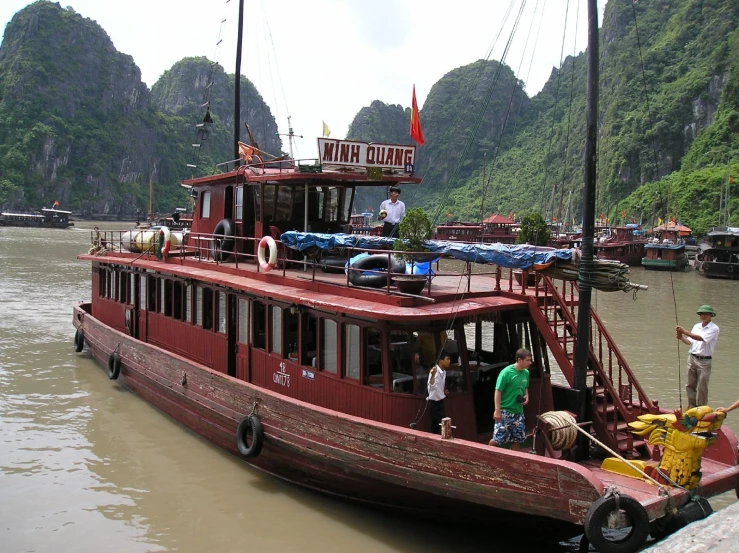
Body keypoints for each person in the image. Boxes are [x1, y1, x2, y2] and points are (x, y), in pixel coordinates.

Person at [676, 304, 720, 408]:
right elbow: (689, 342)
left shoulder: (714, 328)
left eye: (706, 314)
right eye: (701, 314)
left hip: (704, 361)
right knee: (689, 384)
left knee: (702, 386)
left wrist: (685, 331)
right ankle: (691, 406)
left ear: (711, 315)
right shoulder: (697, 326)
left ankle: (702, 408)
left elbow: (701, 338)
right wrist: (681, 337)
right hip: (692, 358)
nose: (703, 316)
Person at [489, 348, 532, 451]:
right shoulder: (506, 373)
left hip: (519, 412)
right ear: (519, 360)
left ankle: (514, 461)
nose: (530, 363)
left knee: (517, 439)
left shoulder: (526, 373)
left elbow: (525, 386)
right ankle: (488, 454)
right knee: (498, 439)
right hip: (506, 412)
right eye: (527, 360)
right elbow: (498, 391)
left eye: (530, 360)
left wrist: (527, 395)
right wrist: (497, 410)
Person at [427, 351, 451, 434]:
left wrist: (443, 391)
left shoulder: (443, 372)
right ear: (441, 361)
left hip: (440, 402)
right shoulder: (435, 372)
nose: (449, 361)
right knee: (446, 424)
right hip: (434, 403)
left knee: (434, 428)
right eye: (447, 359)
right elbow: (432, 387)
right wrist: (433, 375)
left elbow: (439, 385)